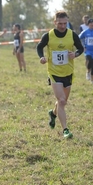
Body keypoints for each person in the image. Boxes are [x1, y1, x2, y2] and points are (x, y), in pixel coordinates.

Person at [36, 11, 84, 139]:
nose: (63, 26)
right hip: (54, 72)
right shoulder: (48, 36)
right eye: (60, 23)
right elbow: (39, 47)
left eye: (65, 23)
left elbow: (81, 48)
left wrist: (76, 54)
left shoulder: (72, 35)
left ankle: (53, 113)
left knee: (62, 102)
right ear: (55, 22)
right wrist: (41, 57)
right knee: (61, 100)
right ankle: (65, 130)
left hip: (68, 72)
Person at [79, 18, 93, 84]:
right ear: (88, 24)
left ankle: (92, 80)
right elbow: (79, 38)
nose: (92, 24)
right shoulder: (85, 32)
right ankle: (88, 72)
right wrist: (83, 46)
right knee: (89, 60)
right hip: (87, 50)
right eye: (90, 23)